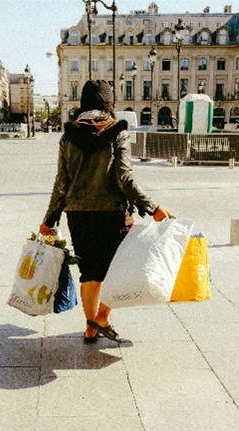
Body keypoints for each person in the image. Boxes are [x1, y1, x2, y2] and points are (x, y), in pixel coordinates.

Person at [40, 80, 173, 343]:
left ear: (84, 104)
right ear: (108, 103)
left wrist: (50, 219)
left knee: (90, 271)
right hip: (112, 212)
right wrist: (152, 207)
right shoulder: (117, 132)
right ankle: (100, 318)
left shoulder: (68, 137)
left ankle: (90, 329)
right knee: (118, 269)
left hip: (77, 213)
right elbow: (124, 178)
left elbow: (61, 183)